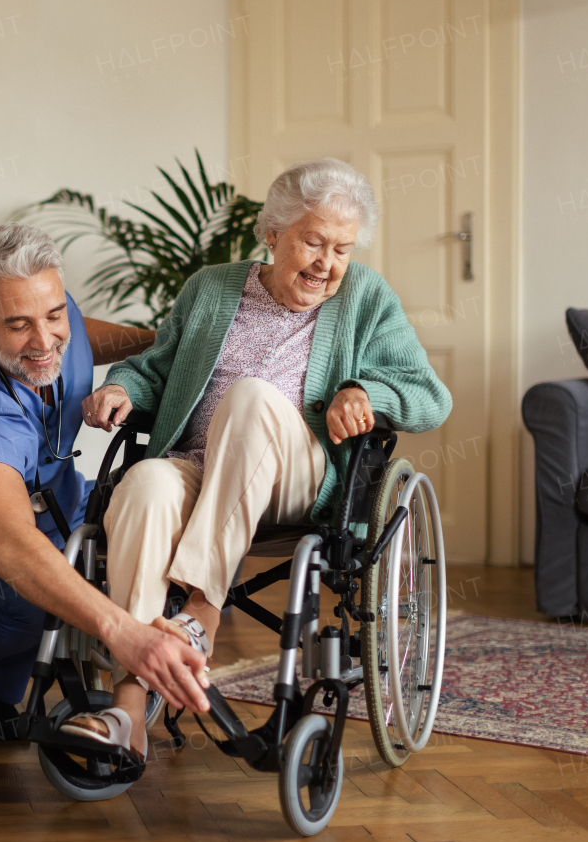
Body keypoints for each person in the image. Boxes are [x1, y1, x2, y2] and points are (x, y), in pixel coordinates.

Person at [61, 158, 453, 758]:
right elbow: (156, 370)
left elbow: (430, 397)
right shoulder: (211, 288)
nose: (326, 264)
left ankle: (202, 608)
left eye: (341, 249)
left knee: (250, 399)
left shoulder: (366, 297)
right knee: (143, 486)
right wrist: (123, 389)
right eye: (312, 242)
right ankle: (130, 708)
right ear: (272, 235)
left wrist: (366, 395)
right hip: (199, 466)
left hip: (300, 476)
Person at [0, 223, 212, 746]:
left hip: (60, 507)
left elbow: (82, 331)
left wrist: (167, 350)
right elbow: (9, 544)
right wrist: (124, 634)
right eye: (20, 325)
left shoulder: (42, 306)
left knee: (167, 526)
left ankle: (125, 673)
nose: (46, 340)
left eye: (54, 314)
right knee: (28, 597)